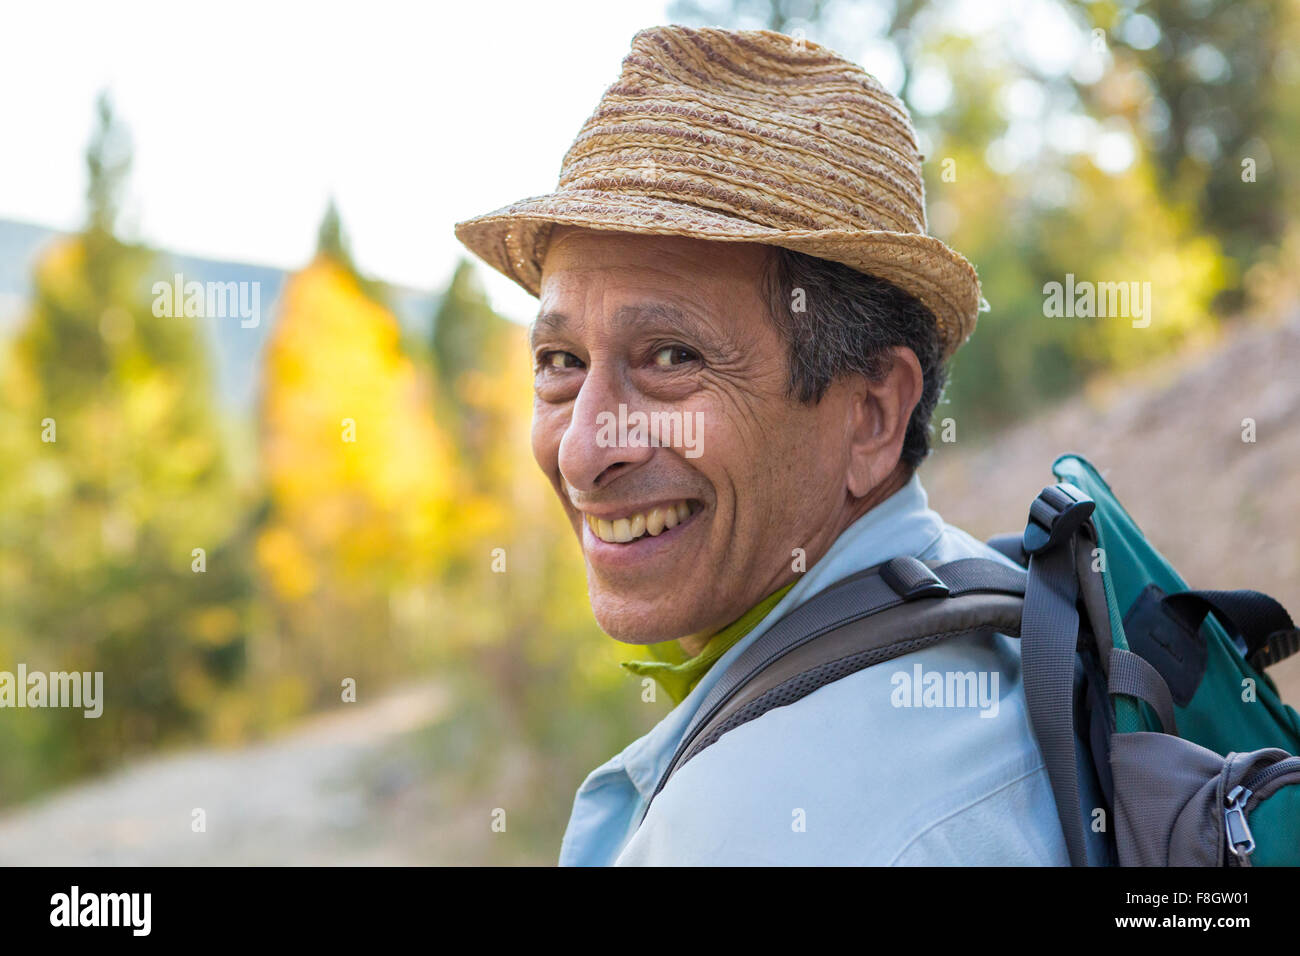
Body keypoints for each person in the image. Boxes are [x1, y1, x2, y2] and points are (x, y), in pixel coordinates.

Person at [455, 24, 1068, 865]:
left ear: (873, 414)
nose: (583, 451)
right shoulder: (995, 621)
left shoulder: (748, 832)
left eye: (672, 357)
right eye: (560, 363)